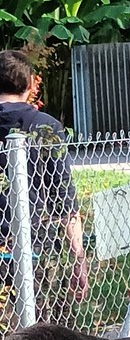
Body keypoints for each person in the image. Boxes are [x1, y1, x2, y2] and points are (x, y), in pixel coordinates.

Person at [0, 49, 88, 312]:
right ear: (29, 86)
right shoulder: (47, 128)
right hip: (37, 246)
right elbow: (64, 201)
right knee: (42, 336)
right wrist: (78, 259)